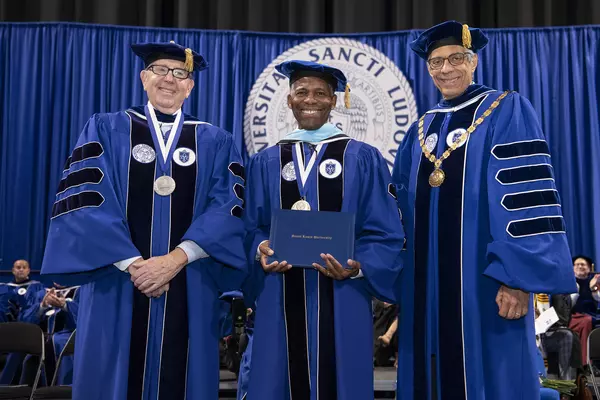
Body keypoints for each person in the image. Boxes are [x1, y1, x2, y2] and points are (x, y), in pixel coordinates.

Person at [40, 41, 247, 400]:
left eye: (180, 73)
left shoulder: (215, 140)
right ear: (143, 77)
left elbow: (228, 206)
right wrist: (136, 264)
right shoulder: (105, 128)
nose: (170, 79)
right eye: (160, 70)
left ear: (190, 86)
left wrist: (174, 259)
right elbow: (85, 201)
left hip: (189, 280)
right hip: (117, 280)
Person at [392, 21, 577, 399]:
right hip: (424, 288)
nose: (446, 70)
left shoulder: (505, 109)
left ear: (473, 61)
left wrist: (516, 278)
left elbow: (526, 198)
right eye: (436, 62)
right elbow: (396, 206)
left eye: (455, 58)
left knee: (496, 375)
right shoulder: (420, 128)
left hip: (487, 282)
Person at [243, 60, 405, 400]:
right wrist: (259, 248)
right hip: (278, 294)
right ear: (289, 100)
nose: (310, 100)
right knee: (278, 380)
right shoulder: (266, 161)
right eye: (301, 92)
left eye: (320, 93)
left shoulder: (362, 158)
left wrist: (359, 264)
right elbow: (250, 226)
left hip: (344, 297)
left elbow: (385, 230)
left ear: (334, 101)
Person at [569, 255, 598, 363]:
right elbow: (567, 304)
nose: (579, 267)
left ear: (590, 268)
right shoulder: (568, 282)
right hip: (571, 316)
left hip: (590, 315)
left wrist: (593, 289)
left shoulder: (594, 281)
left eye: (583, 264)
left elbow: (597, 299)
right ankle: (585, 363)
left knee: (588, 321)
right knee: (585, 322)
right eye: (576, 265)